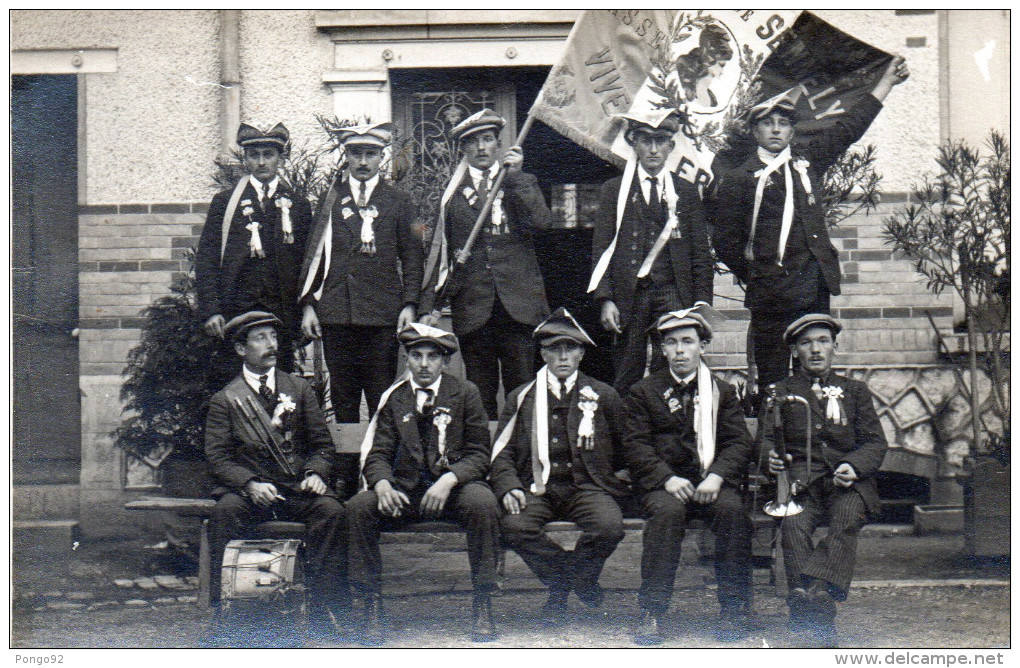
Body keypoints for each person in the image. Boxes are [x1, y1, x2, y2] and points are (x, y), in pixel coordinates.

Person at [708, 56, 909, 389]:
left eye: (783, 123)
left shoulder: (807, 162)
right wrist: (757, 273)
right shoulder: (738, 178)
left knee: (815, 371)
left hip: (812, 287)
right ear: (756, 130)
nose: (776, 129)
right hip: (770, 292)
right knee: (772, 376)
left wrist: (885, 84)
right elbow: (726, 241)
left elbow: (848, 129)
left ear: (791, 129)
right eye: (768, 122)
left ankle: (814, 437)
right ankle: (776, 439)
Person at [346, 322, 500, 645]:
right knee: (360, 507)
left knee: (482, 502)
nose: (425, 364)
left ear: (445, 362)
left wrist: (449, 479)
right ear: (407, 361)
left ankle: (483, 602)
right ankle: (372, 604)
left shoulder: (465, 393)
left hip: (452, 492)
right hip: (407, 494)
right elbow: (378, 453)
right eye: (417, 356)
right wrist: (383, 485)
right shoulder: (396, 398)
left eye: (433, 356)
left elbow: (479, 454)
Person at [204, 311, 347, 642]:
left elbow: (322, 446)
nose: (271, 345)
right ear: (241, 349)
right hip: (249, 495)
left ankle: (326, 611)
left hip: (296, 490)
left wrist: (315, 473)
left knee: (333, 512)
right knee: (224, 512)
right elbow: (217, 457)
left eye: (274, 337)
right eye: (260, 338)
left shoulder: (299, 388)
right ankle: (223, 610)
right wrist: (249, 483)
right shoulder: (225, 399)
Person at [490, 307, 629, 625]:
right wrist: (509, 485)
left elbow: (627, 445)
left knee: (609, 526)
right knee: (513, 526)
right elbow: (501, 452)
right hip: (538, 487)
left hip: (587, 486)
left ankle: (569, 582)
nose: (563, 356)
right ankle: (569, 579)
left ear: (581, 352)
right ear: (543, 354)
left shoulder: (603, 394)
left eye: (570, 348)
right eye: (555, 349)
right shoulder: (522, 397)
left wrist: (622, 474)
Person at [623, 306, 754, 644]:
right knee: (667, 514)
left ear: (702, 347)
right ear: (662, 349)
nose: (680, 350)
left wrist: (717, 477)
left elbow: (739, 441)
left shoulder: (722, 392)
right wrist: (666, 478)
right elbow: (635, 446)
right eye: (671, 343)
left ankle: (734, 609)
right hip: (665, 485)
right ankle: (652, 611)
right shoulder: (644, 392)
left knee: (732, 511)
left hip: (710, 481)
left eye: (687, 341)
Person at [762, 314, 888, 646]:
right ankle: (819, 616)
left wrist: (854, 466)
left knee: (845, 519)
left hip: (847, 483)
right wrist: (771, 459)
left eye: (822, 341)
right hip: (800, 484)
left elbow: (875, 442)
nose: (815, 350)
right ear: (794, 350)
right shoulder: (780, 392)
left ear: (834, 346)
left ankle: (807, 598)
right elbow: (765, 442)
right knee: (793, 526)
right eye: (806, 343)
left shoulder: (855, 391)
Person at [420, 108, 554, 419]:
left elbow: (542, 224)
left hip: (517, 308)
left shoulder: (519, 182)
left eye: (488, 139)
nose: (481, 148)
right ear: (463, 149)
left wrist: (517, 176)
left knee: (521, 393)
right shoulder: (450, 197)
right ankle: (483, 463)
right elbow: (440, 252)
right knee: (479, 398)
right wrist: (428, 305)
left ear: (498, 144)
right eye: (473, 142)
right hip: (474, 309)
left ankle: (519, 464)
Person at [298, 122, 423, 423]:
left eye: (370, 154)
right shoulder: (330, 201)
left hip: (381, 316)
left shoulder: (399, 201)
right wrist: (308, 307)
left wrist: (409, 304)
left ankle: (378, 467)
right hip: (338, 314)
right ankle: (347, 468)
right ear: (347, 156)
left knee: (382, 399)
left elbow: (414, 256)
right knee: (343, 399)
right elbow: (315, 256)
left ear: (381, 157)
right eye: (356, 154)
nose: (363, 162)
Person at [590, 109, 714, 395]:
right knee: (626, 367)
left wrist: (701, 304)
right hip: (628, 293)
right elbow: (602, 248)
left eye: (660, 141)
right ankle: (627, 433)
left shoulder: (686, 191)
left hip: (673, 291)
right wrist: (605, 299)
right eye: (646, 141)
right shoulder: (614, 190)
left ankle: (669, 430)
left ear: (671, 146)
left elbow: (700, 254)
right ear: (634, 144)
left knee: (673, 363)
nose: (654, 149)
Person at [196, 123, 312, 379]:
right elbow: (207, 258)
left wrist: (306, 309)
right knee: (235, 382)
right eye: (254, 155)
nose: (261, 162)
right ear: (246, 158)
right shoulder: (225, 203)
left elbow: (308, 263)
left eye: (268, 155)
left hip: (280, 312)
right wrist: (212, 309)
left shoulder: (298, 205)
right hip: (236, 310)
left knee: (281, 384)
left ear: (280, 158)